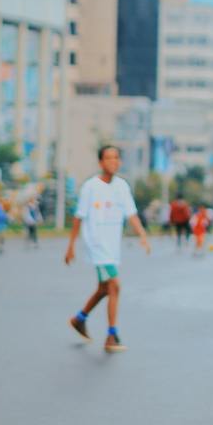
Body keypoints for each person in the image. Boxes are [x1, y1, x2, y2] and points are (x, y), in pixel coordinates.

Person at [65, 145, 152, 353]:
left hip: (113, 247)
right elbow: (79, 217)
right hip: (97, 245)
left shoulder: (122, 186)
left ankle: (79, 318)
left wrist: (142, 235)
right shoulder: (90, 187)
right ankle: (111, 335)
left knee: (104, 288)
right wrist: (71, 246)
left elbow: (131, 213)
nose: (113, 161)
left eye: (116, 158)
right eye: (108, 158)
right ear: (101, 163)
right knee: (115, 286)